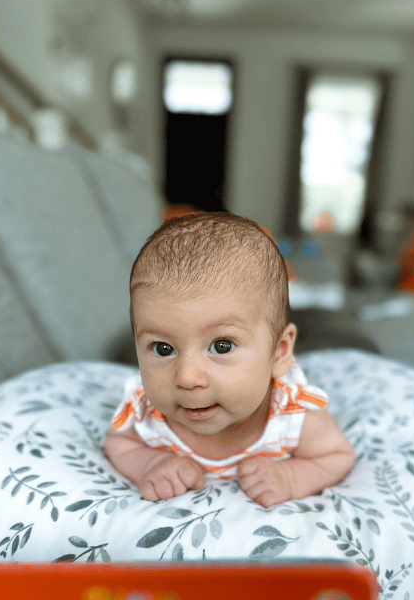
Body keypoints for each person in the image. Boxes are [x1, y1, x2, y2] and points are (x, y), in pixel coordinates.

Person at [104, 211, 355, 509]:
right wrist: (149, 463)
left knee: (340, 335)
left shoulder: (292, 417)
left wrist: (291, 477)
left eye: (222, 346)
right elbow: (119, 443)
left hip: (319, 337)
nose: (186, 377)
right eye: (162, 348)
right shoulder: (147, 415)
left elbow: (337, 456)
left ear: (280, 352)